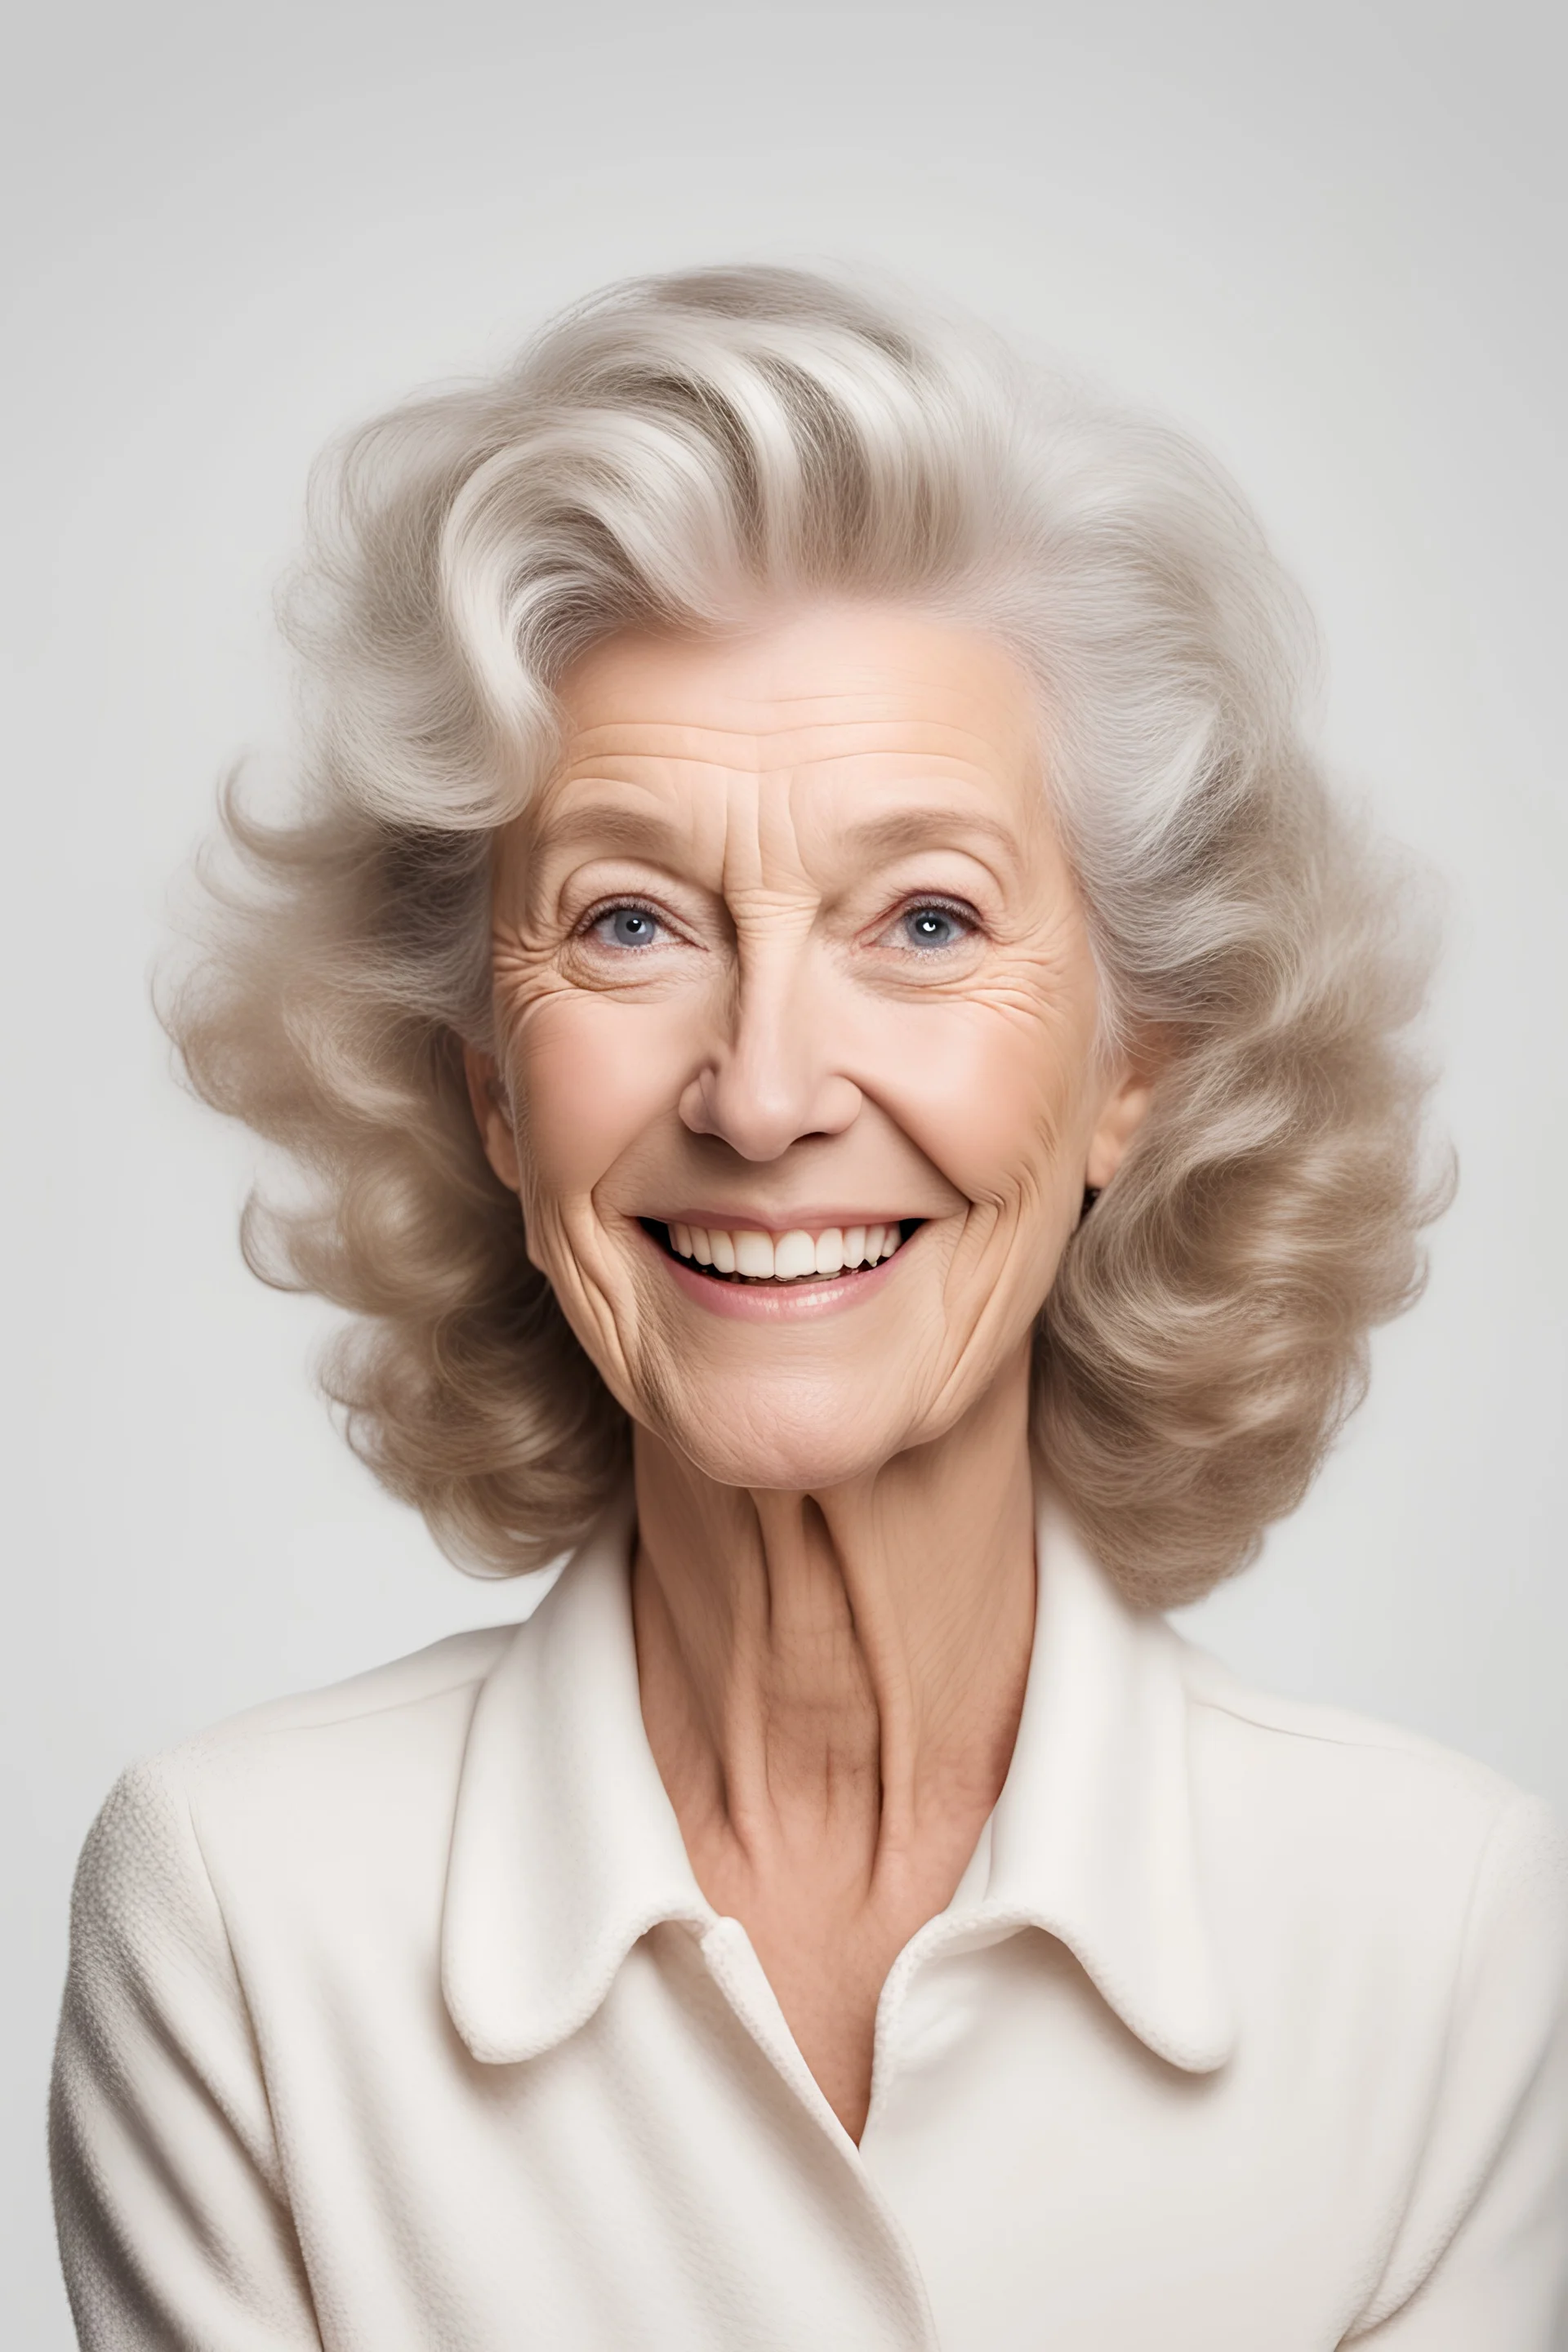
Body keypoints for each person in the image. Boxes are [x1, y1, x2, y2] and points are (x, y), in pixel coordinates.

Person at [50, 266, 1567, 2349]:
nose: (764, 1091)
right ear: (490, 1091)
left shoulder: (1447, 1942)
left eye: (926, 919)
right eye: (630, 919)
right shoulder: (239, 1923)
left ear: (1136, 1062)